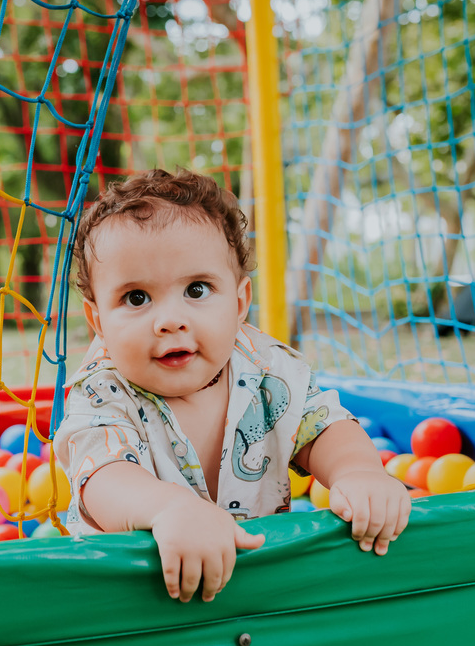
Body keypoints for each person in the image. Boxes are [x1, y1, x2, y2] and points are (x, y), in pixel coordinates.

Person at [55, 169, 411, 603]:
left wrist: (357, 472)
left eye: (197, 289)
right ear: (98, 323)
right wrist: (168, 509)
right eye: (136, 298)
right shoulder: (102, 393)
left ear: (240, 303)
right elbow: (106, 480)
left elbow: (322, 425)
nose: (170, 320)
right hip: (129, 596)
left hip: (254, 588)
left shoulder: (266, 368)